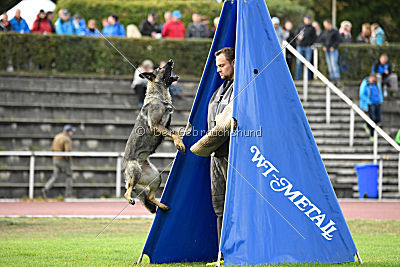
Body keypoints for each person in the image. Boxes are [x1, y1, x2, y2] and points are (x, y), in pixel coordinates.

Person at [192, 47, 235, 250]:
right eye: (217, 66)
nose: (218, 70)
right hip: (215, 157)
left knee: (235, 207)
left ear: (234, 63)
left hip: (233, 158)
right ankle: (222, 255)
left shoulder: (243, 89)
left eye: (222, 65)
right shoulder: (218, 91)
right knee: (220, 207)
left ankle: (237, 254)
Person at [42, 125, 76, 198]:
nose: (72, 133)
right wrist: (68, 160)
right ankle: (68, 195)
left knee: (55, 176)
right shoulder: (66, 139)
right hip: (63, 160)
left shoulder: (57, 136)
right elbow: (67, 151)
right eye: (71, 131)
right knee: (69, 175)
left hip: (55, 159)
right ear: (68, 132)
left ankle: (46, 188)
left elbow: (53, 148)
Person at [359, 74, 383, 140]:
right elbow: (361, 94)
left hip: (377, 103)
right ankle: (371, 134)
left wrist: (381, 100)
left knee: (378, 119)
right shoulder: (366, 84)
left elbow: (380, 92)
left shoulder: (376, 84)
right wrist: (369, 102)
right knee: (372, 119)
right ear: (369, 78)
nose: (373, 80)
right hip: (370, 104)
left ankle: (368, 126)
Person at [295, 15, 317, 80]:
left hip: (308, 47)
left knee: (308, 63)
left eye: (308, 19)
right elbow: (296, 35)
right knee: (298, 63)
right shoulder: (300, 26)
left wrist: (310, 44)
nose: (307, 21)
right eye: (306, 19)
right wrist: (298, 38)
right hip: (300, 47)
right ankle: (297, 78)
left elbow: (314, 38)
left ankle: (308, 78)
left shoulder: (312, 28)